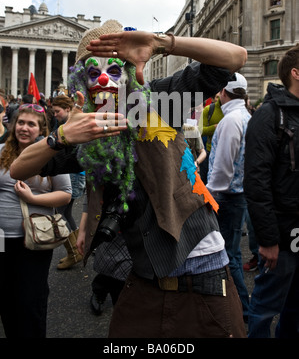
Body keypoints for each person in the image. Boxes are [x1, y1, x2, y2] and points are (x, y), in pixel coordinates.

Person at [10, 21, 248, 338]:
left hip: (200, 274)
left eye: (114, 68)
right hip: (144, 276)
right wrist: (62, 136)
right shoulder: (85, 131)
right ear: (83, 82)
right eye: (94, 72)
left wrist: (161, 42)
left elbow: (234, 57)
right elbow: (18, 168)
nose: (105, 79)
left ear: (127, 70)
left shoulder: (160, 100)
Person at [0, 103, 72, 338]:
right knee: (5, 299)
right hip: (1, 239)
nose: (24, 128)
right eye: (21, 122)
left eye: (31, 124)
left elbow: (65, 194)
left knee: (30, 301)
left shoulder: (51, 154)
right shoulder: (1, 151)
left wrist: (31, 197)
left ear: (42, 130)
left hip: (34, 238)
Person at [244, 45, 299, 338]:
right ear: (296, 73)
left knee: (295, 309)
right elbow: (256, 182)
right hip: (279, 234)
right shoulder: (269, 115)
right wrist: (267, 240)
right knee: (265, 308)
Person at [206, 73, 251, 321]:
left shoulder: (232, 119)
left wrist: (209, 196)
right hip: (237, 195)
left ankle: (242, 308)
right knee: (230, 253)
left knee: (229, 255)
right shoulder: (243, 115)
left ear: (224, 92)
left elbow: (223, 165)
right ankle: (239, 306)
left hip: (228, 197)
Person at [51, 95, 86, 270]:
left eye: (57, 111)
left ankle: (74, 252)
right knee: (67, 212)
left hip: (73, 173)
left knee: (61, 212)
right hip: (73, 173)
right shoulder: (64, 124)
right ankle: (77, 250)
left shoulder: (71, 124)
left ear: (67, 109)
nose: (55, 114)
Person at [200, 93, 224, 184]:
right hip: (209, 152)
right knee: (205, 181)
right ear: (213, 99)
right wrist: (214, 128)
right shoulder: (209, 109)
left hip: (224, 154)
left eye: (219, 96)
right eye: (217, 97)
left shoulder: (232, 111)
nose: (218, 99)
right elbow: (200, 130)